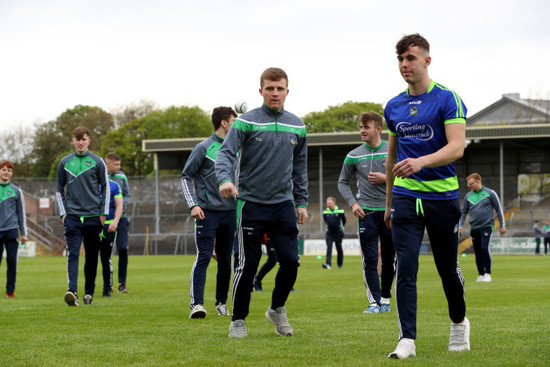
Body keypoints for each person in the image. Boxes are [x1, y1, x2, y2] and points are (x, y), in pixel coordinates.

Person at [383, 34, 470, 359]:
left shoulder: (448, 99)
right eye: (401, 59)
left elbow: (456, 147)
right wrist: (389, 203)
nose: (405, 65)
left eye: (411, 58)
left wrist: (420, 161)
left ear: (426, 61)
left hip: (442, 200)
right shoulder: (393, 106)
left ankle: (459, 323)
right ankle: (407, 339)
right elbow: (391, 160)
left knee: (447, 268)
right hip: (405, 199)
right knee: (405, 266)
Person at [216, 67, 308, 338]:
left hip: (283, 205)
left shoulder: (298, 125)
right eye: (270, 88)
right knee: (248, 264)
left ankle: (277, 309)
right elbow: (226, 154)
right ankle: (238, 320)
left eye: (280, 88)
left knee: (291, 261)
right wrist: (224, 180)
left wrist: (301, 201)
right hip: (251, 204)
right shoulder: (246, 121)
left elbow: (300, 167)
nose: (275, 93)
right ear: (261, 91)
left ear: (287, 91)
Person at [180, 106, 238, 319]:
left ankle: (222, 303)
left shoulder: (237, 149)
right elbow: (185, 177)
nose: (236, 125)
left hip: (231, 213)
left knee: (225, 260)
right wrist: (193, 204)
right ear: (224, 123)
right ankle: (196, 304)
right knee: (204, 256)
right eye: (234, 120)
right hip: (207, 213)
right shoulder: (203, 148)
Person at [338, 112, 395, 314]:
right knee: (370, 259)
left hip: (390, 212)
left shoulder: (393, 150)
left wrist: (386, 178)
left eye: (366, 127)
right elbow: (342, 182)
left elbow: (408, 178)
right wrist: (353, 204)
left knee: (389, 259)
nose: (362, 131)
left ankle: (386, 298)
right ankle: (374, 302)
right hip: (366, 214)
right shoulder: (353, 155)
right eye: (361, 127)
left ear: (378, 129)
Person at [56, 126, 109, 306]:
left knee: (92, 256)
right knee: (72, 254)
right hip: (72, 217)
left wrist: (103, 214)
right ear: (73, 141)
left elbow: (106, 187)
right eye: (77, 139)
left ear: (89, 141)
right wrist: (63, 213)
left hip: (93, 217)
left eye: (84, 139)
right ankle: (72, 290)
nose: (80, 143)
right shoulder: (64, 162)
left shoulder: (97, 161)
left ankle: (88, 292)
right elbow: (58, 190)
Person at [459, 173, 506, 282]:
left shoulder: (490, 193)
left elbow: (499, 209)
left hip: (487, 226)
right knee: (478, 252)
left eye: (471, 184)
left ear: (478, 181)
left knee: (485, 248)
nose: (469, 186)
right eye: (468, 184)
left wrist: (503, 225)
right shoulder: (468, 196)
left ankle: (488, 273)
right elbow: (463, 212)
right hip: (474, 228)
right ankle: (481, 274)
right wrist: (460, 225)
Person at [0, 160, 27, 298]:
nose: (6, 172)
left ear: (11, 173)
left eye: (9, 170)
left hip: (11, 230)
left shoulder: (16, 191)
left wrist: (24, 233)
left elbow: (21, 213)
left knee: (12, 261)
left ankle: (10, 291)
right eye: (3, 169)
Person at [104, 152, 131, 293]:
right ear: (107, 164)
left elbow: (127, 195)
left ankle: (122, 283)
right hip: (105, 220)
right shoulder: (101, 177)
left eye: (119, 164)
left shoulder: (122, 177)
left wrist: (120, 204)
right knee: (105, 254)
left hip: (121, 219)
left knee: (123, 249)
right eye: (116, 164)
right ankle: (107, 285)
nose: (119, 167)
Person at [98, 179, 123, 297]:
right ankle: (89, 289)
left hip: (109, 227)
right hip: (93, 226)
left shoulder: (114, 185)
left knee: (106, 258)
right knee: (90, 258)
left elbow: (119, 204)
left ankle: (107, 288)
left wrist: (115, 221)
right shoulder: (90, 184)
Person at [321, 197, 346, 270]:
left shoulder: (340, 211)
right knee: (329, 247)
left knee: (339, 248)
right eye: (327, 203)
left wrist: (340, 228)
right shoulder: (325, 212)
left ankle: (340, 264)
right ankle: (328, 264)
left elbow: (344, 221)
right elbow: (326, 221)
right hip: (329, 233)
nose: (328, 204)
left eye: (329, 202)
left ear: (334, 203)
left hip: (338, 233)